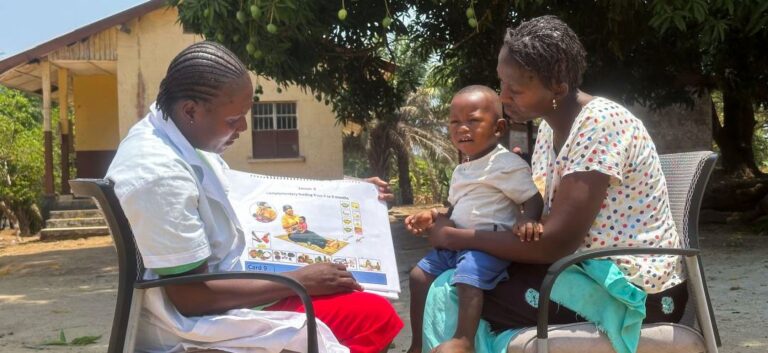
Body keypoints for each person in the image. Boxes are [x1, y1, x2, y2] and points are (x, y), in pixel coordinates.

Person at [106, 41, 402, 353]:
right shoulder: (160, 174)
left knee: (362, 303)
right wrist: (300, 279)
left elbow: (257, 194)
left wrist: (351, 193)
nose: (244, 127)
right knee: (374, 316)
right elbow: (192, 297)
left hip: (228, 285)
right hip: (203, 316)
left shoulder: (174, 136)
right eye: (233, 120)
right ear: (190, 110)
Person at [421, 16, 688, 353]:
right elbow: (540, 220)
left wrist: (453, 236)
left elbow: (556, 241)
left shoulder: (600, 124)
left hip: (631, 288)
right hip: (579, 269)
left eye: (515, 89)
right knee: (458, 282)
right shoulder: (549, 128)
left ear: (558, 89)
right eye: (502, 84)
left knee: (460, 293)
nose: (503, 97)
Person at [404, 85, 544, 353]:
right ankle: (418, 343)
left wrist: (528, 220)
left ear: (498, 128)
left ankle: (463, 340)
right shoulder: (461, 169)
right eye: (455, 122)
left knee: (468, 278)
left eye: (473, 120)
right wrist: (431, 216)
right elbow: (454, 209)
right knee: (418, 275)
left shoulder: (507, 164)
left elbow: (532, 198)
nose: (462, 128)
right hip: (457, 244)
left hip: (486, 245)